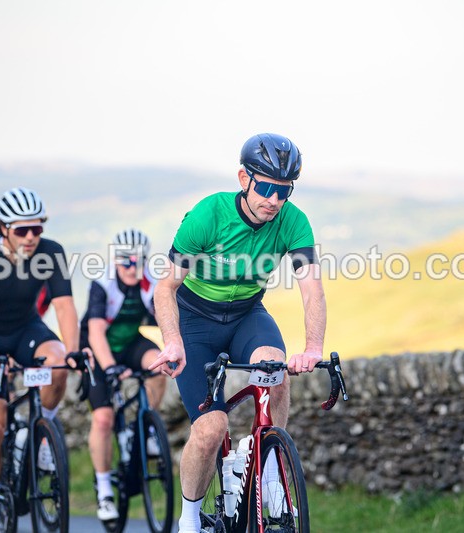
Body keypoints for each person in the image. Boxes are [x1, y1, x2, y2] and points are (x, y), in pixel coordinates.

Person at [148, 133, 327, 533]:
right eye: (265, 187)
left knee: (275, 372)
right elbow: (166, 288)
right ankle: (190, 519)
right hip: (195, 320)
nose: (274, 200)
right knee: (211, 429)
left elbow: (312, 288)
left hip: (247, 313)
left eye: (284, 191)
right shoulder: (207, 215)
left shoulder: (292, 220)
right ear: (244, 178)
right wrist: (173, 340)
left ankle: (268, 475)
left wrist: (313, 347)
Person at [0, 187, 81, 533]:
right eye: (21, 230)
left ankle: (40, 434)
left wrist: (72, 350)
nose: (31, 238)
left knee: (57, 364)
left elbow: (64, 307)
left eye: (37, 229)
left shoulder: (51, 252)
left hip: (26, 329)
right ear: (2, 229)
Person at [79, 228, 166, 523]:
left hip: (130, 343)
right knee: (103, 417)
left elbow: (167, 320)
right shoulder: (103, 284)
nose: (133, 267)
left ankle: (149, 427)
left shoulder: (149, 283)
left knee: (158, 363)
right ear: (116, 261)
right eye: (127, 261)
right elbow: (95, 333)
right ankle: (104, 490)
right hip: (98, 351)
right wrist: (111, 369)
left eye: (139, 261)